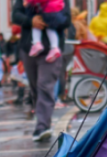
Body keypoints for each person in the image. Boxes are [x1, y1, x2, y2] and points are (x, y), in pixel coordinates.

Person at [13, 0, 69, 140]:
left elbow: (66, 20)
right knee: (35, 88)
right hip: (29, 50)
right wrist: (31, 20)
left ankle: (42, 126)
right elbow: (15, 15)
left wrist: (49, 19)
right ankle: (43, 120)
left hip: (51, 51)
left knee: (44, 85)